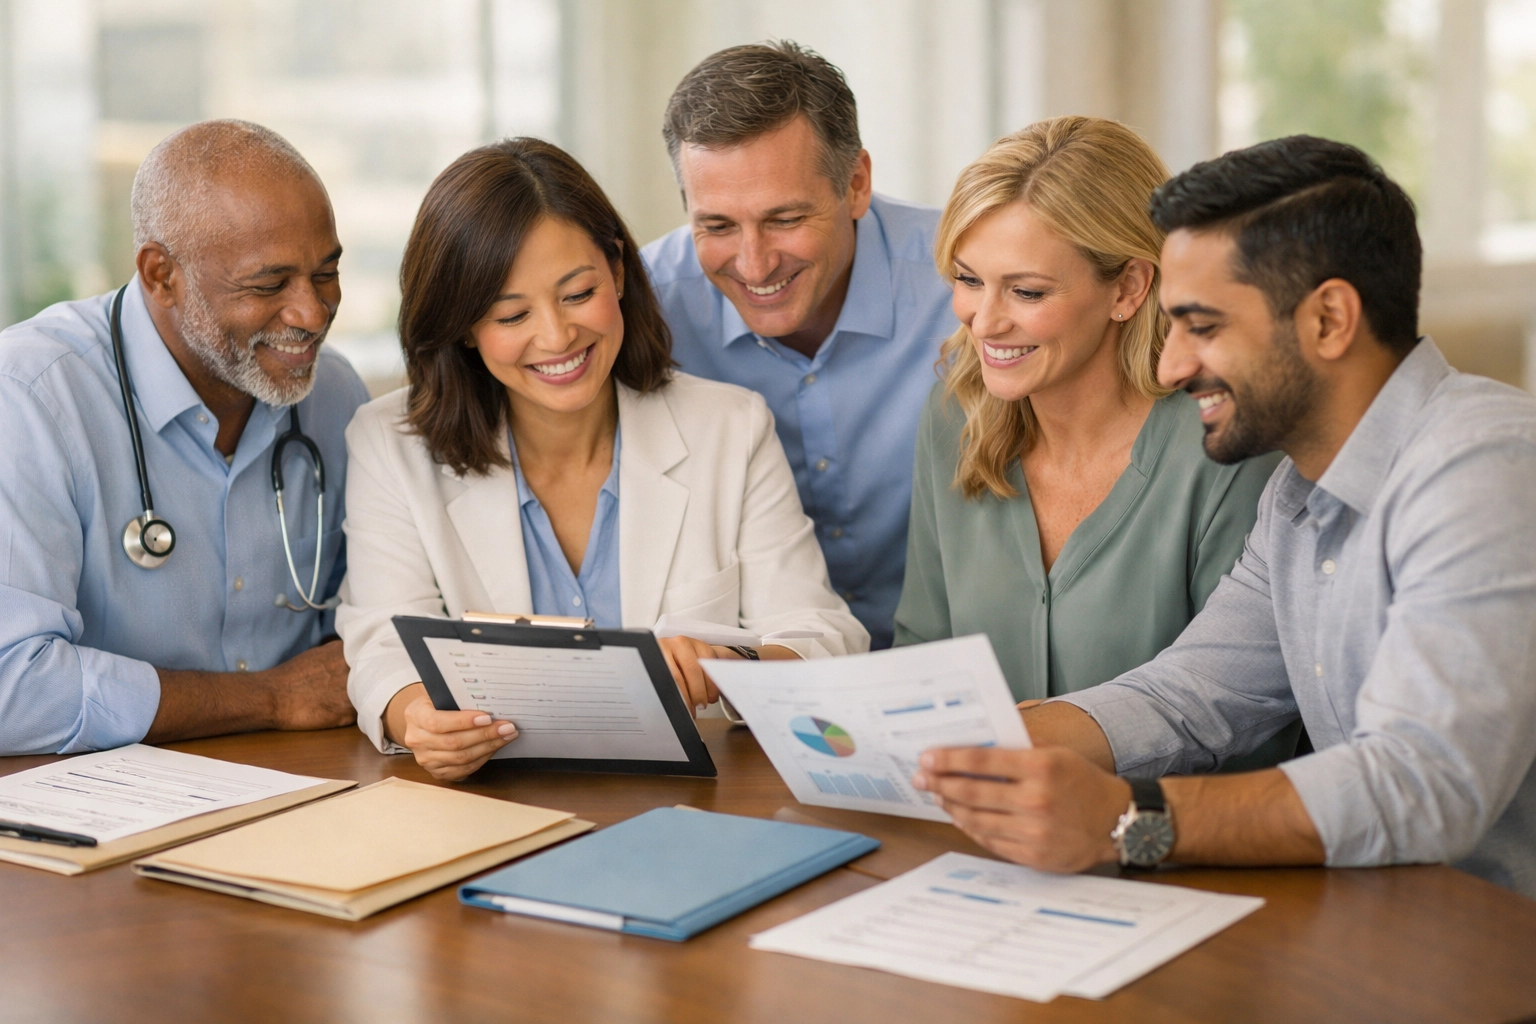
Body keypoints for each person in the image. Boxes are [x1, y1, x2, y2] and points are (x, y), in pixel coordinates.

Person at [911, 136, 1536, 899]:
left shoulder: (1485, 466)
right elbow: (1195, 692)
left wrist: (1129, 817)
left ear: (1330, 319)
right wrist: (1002, 743)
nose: (1170, 366)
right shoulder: (1299, 495)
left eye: (1203, 327)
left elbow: (1424, 781)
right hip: (1393, 929)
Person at [337, 138, 867, 782]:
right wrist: (415, 716)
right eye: (511, 314)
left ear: (617, 270)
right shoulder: (388, 444)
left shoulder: (730, 427)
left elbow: (823, 637)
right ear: (462, 327)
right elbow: (381, 643)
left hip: (693, 804)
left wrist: (729, 664)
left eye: (578, 292)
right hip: (492, 804)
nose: (557, 337)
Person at [894, 118, 1288, 773]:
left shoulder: (1226, 447)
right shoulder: (952, 418)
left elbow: (1249, 718)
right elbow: (922, 658)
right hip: (977, 831)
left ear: (1130, 288)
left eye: (1025, 291)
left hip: (1173, 846)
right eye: (968, 280)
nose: (984, 321)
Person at [0, 120, 367, 755]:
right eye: (268, 284)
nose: (311, 314)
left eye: (326, 273)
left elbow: (370, 622)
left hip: (309, 779)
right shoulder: (30, 400)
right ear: (160, 274)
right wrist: (272, 700)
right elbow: (12, 689)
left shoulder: (334, 397)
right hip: (99, 806)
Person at [642, 41, 956, 650]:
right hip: (756, 687)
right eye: (717, 226)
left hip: (970, 665)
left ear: (857, 183)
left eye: (785, 219)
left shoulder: (968, 283)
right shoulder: (644, 311)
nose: (754, 264)